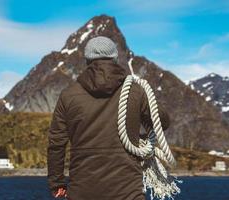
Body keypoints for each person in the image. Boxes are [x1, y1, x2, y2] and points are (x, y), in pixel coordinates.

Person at [47, 36, 170, 200]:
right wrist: (137, 138)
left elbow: (56, 144)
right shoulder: (136, 92)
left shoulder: (68, 95)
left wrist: (57, 183)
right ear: (115, 59)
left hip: (82, 192)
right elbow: (162, 122)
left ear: (87, 60)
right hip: (128, 193)